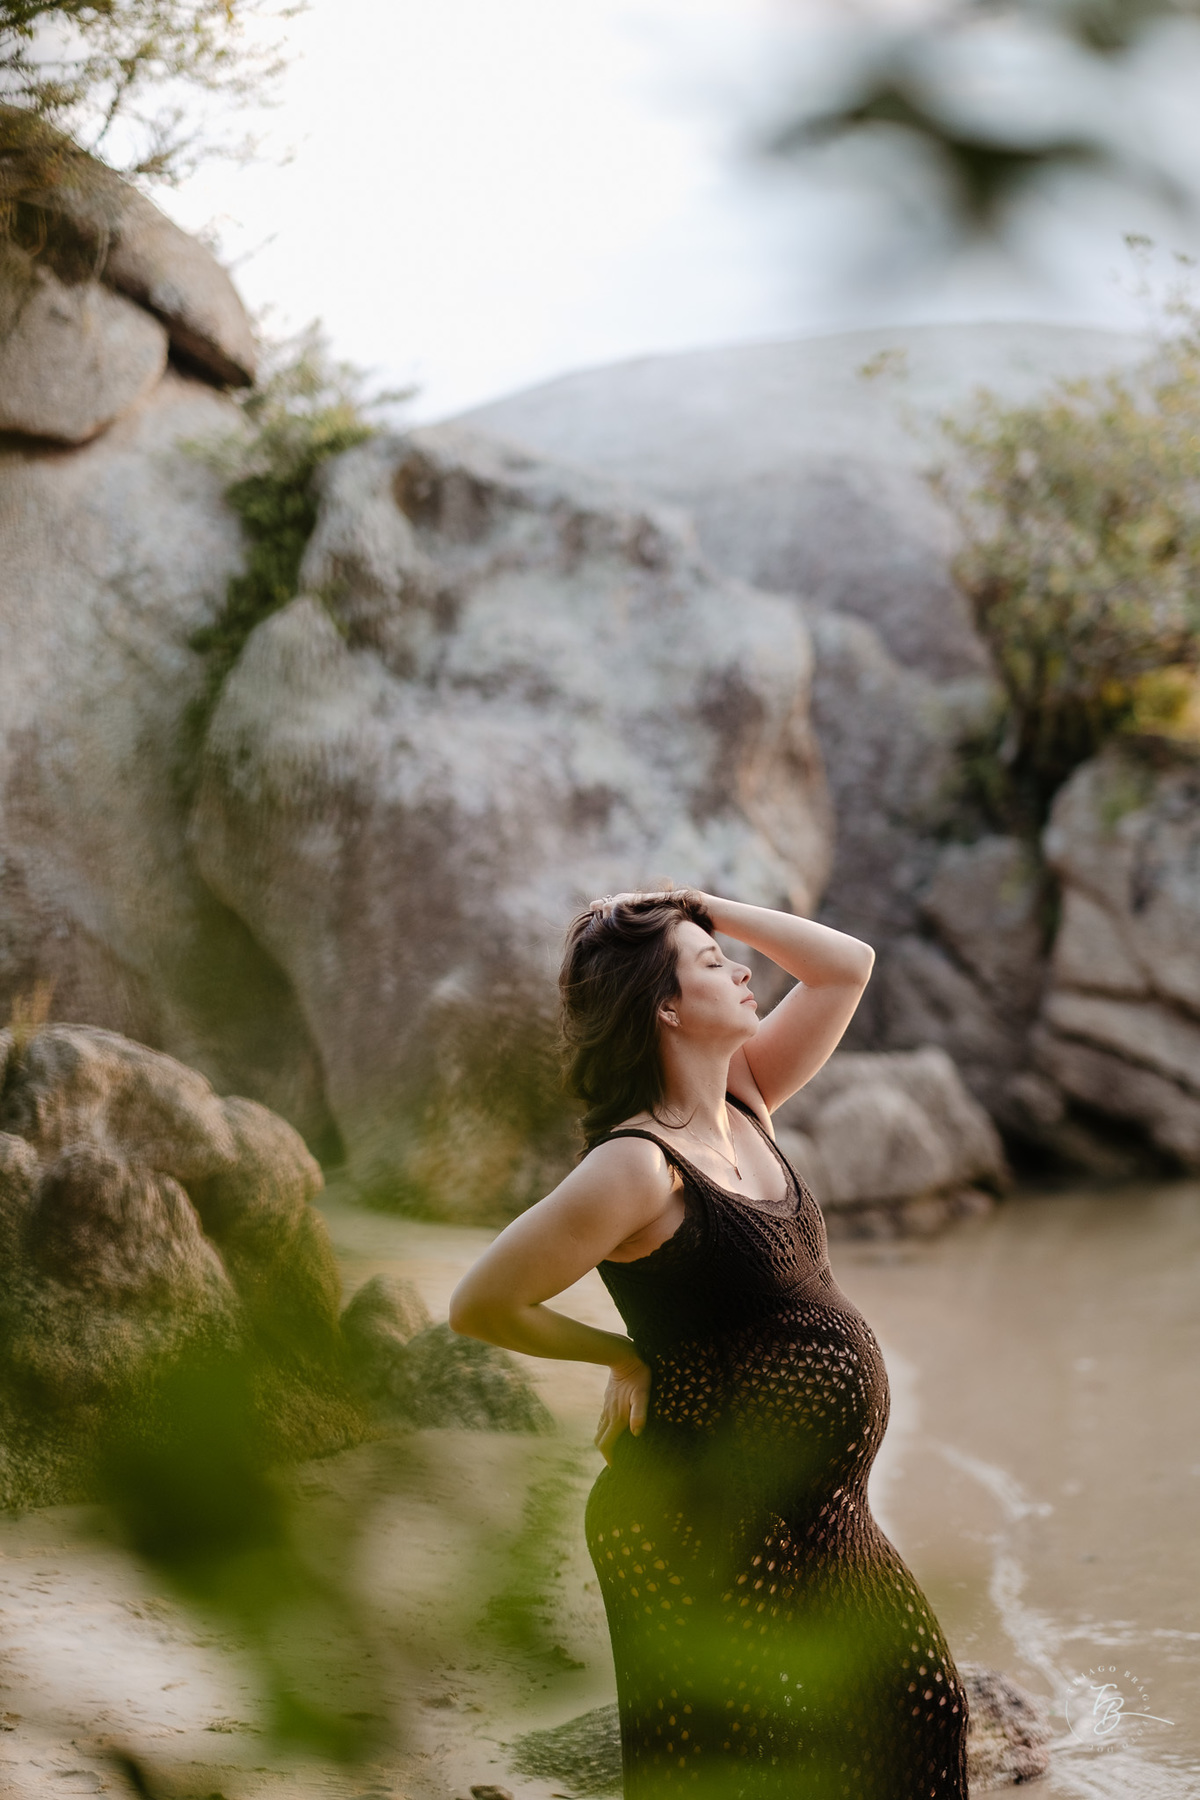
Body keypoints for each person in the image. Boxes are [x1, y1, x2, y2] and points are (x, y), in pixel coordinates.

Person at [449, 889, 969, 1799]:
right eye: (709, 960)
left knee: (921, 1704)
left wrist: (697, 906)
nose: (740, 966)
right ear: (665, 1006)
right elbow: (482, 1303)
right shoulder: (634, 1166)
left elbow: (847, 963)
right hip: (700, 1516)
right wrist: (620, 1356)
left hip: (823, 1509)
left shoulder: (748, 1098)